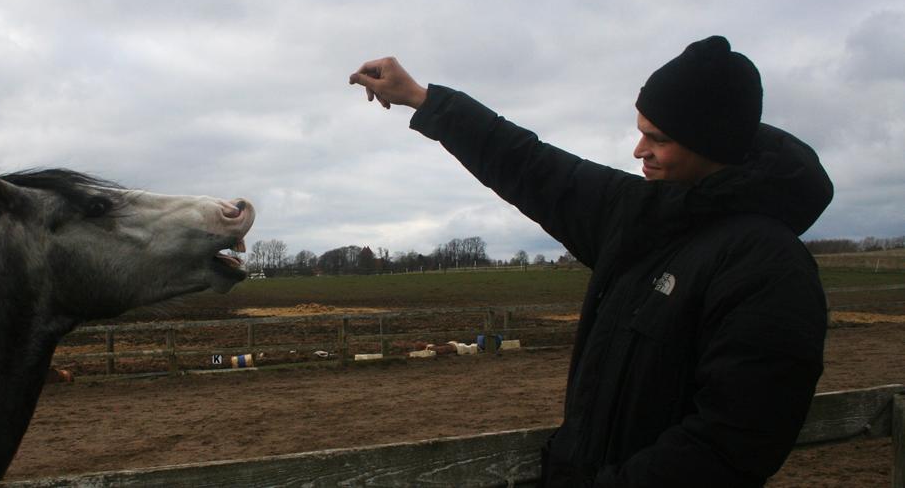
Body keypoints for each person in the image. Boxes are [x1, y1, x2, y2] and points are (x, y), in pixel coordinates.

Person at [348, 36, 833, 487]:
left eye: (658, 139)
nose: (639, 151)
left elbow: (729, 446)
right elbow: (531, 165)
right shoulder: (643, 216)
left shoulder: (769, 268)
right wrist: (423, 98)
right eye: (640, 132)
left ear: (712, 144)